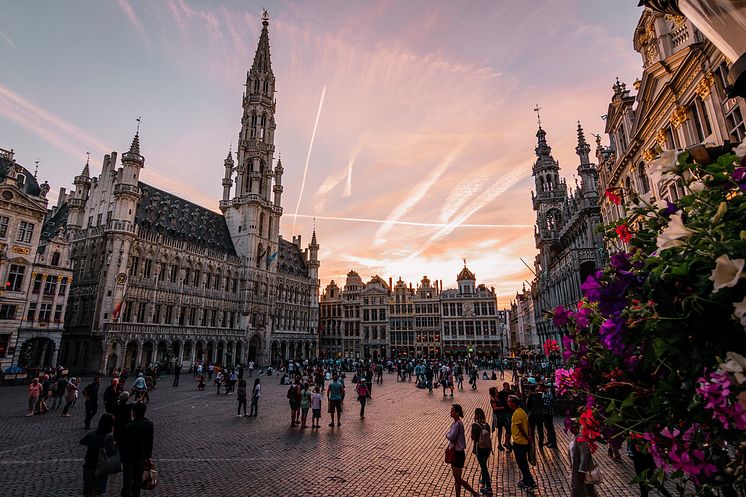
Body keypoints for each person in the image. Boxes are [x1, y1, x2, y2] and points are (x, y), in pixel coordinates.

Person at [120, 402, 154, 497]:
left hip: (129, 458)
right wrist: (148, 456)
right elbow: (149, 442)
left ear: (134, 412)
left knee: (127, 481)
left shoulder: (129, 426)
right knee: (137, 480)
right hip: (141, 457)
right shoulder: (149, 424)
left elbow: (122, 443)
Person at [446, 404, 479, 497]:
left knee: (458, 479)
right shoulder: (455, 423)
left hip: (458, 453)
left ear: (457, 413)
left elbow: (451, 436)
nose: (450, 412)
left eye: (452, 410)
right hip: (455, 452)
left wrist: (446, 435)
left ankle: (474, 493)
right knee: (456, 479)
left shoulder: (457, 424)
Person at [80, 413, 116, 497]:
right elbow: (110, 452)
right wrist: (114, 445)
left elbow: (82, 441)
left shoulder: (92, 433)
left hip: (89, 464)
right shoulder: (109, 436)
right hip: (101, 466)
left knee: (87, 491)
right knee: (97, 491)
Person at [508, 395, 537, 490]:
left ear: (513, 403)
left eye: (509, 401)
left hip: (519, 442)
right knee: (523, 462)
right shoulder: (522, 411)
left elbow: (521, 429)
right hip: (524, 442)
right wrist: (529, 437)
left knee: (522, 463)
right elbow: (528, 425)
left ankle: (530, 482)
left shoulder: (516, 414)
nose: (508, 403)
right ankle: (526, 480)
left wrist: (527, 437)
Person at [568, 420, 599, 497]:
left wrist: (582, 470)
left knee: (584, 490)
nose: (570, 429)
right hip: (575, 469)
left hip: (580, 471)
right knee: (579, 489)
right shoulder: (574, 437)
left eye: (572, 426)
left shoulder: (580, 438)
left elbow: (584, 455)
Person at [470, 407, 493, 496]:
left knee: (483, 466)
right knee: (484, 463)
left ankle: (489, 487)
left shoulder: (475, 425)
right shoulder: (487, 425)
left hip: (479, 448)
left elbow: (472, 437)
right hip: (487, 448)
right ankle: (483, 479)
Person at [495, 382, 513, 451]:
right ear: (504, 387)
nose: (508, 388)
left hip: (509, 413)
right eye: (506, 386)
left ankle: (507, 442)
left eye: (508, 386)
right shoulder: (501, 393)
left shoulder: (512, 392)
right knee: (500, 430)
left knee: (509, 429)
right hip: (501, 414)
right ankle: (500, 444)